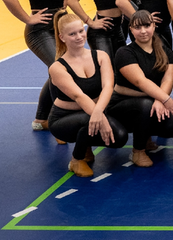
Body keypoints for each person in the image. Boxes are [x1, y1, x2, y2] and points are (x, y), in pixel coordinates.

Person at [2, 0, 72, 132]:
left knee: (58, 70)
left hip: (60, 27)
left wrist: (64, 7)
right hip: (39, 30)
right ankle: (56, 119)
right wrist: (28, 18)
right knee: (60, 69)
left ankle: (41, 119)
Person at [47, 11, 128, 177]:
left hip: (93, 111)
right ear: (62, 37)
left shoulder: (101, 56)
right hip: (63, 119)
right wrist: (100, 117)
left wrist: (99, 113)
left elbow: (108, 86)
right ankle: (76, 159)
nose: (79, 37)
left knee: (120, 136)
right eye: (72, 34)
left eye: (80, 31)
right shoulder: (57, 68)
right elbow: (79, 96)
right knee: (88, 119)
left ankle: (86, 147)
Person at [108, 10, 173, 167]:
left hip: (151, 100)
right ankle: (138, 151)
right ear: (131, 29)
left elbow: (168, 79)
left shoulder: (165, 51)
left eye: (147, 26)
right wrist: (164, 99)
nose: (143, 31)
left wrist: (160, 99)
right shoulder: (124, 53)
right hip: (121, 106)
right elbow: (140, 81)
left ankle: (146, 136)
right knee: (145, 105)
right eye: (138, 27)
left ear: (154, 26)